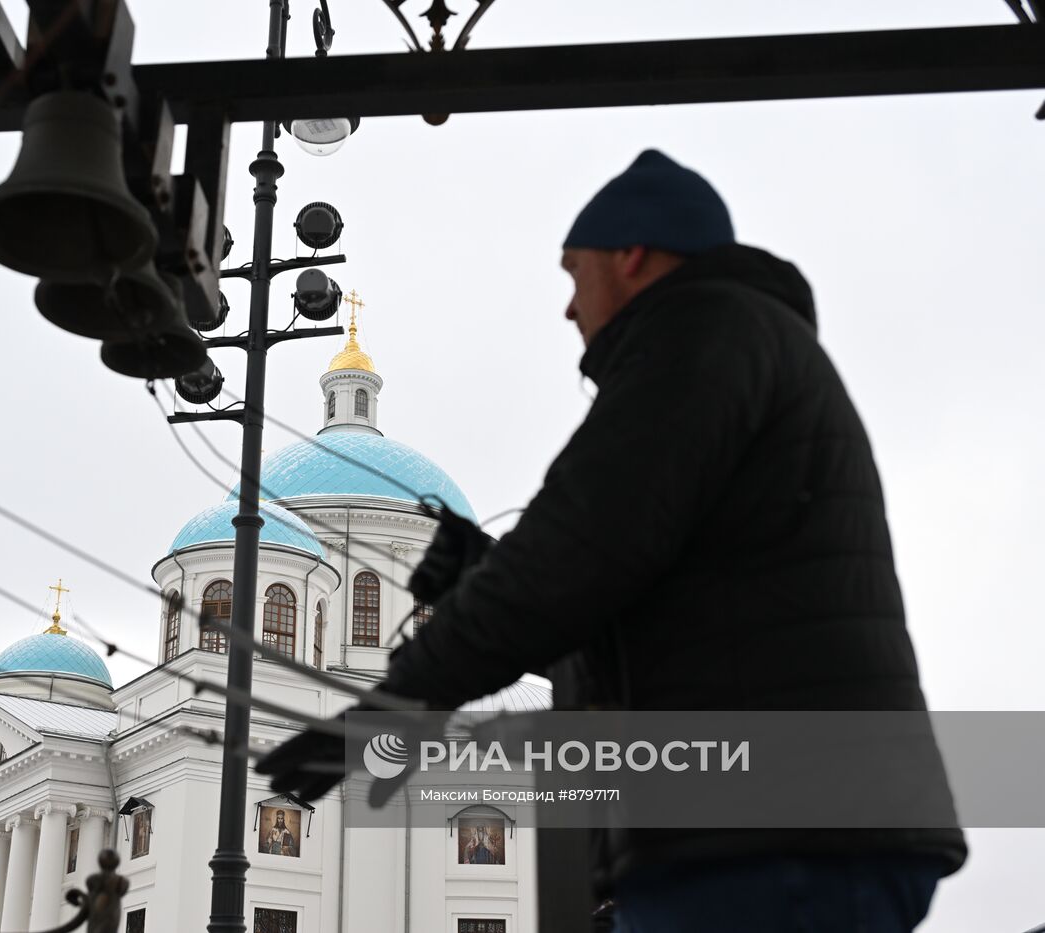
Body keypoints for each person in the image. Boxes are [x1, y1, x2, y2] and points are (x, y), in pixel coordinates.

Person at [256, 149, 967, 931]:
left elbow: (572, 555)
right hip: (786, 819)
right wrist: (488, 578)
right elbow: (632, 594)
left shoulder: (703, 337)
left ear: (631, 255)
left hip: (770, 833)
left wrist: (388, 710)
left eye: (573, 273)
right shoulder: (739, 346)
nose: (568, 307)